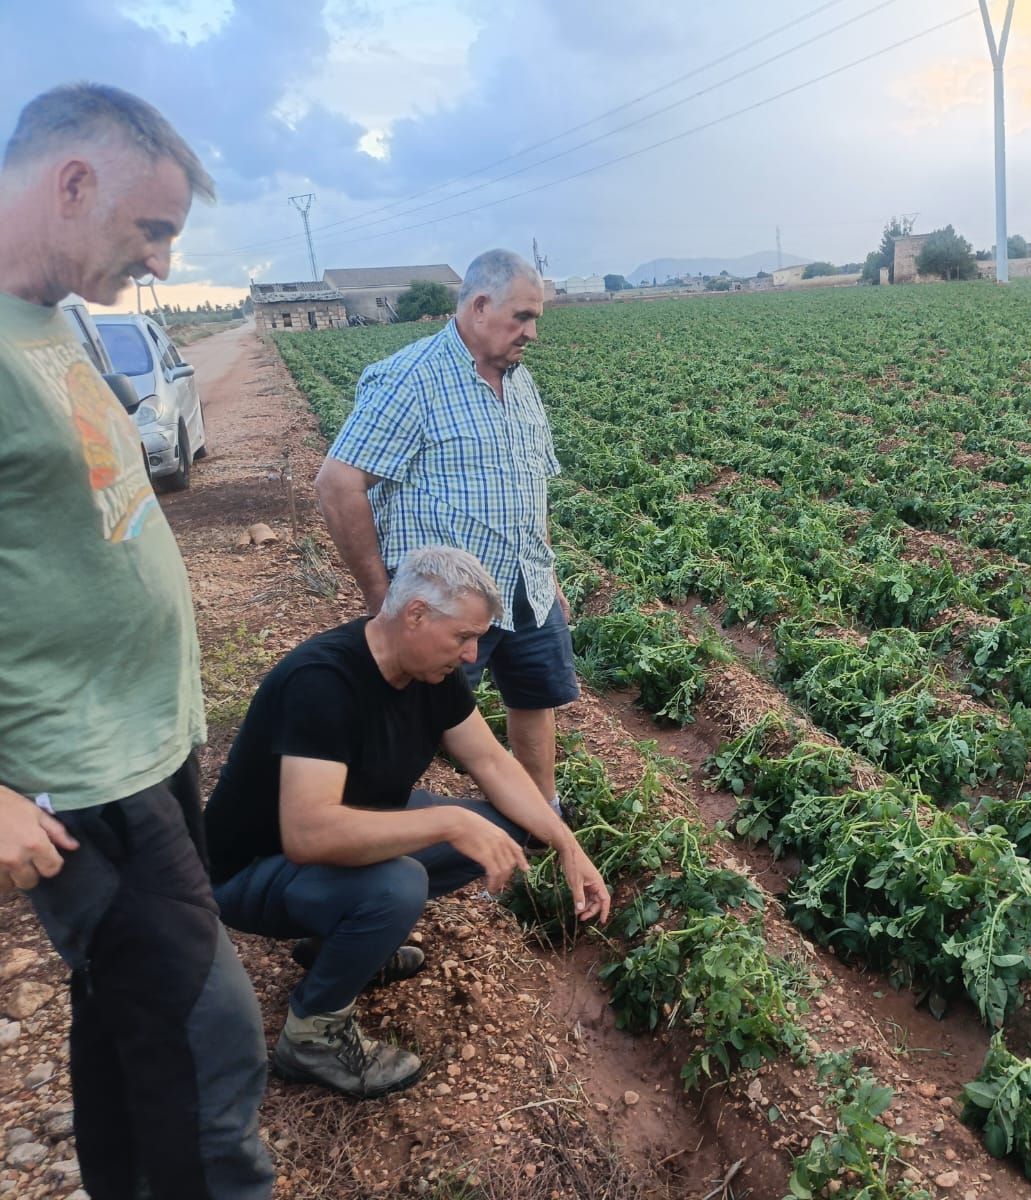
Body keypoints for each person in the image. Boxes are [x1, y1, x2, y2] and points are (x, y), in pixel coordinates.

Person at [0, 85, 274, 1198]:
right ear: (73, 184)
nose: (161, 262)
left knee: (130, 1026)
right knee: (213, 1043)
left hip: (148, 743)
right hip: (77, 772)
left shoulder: (49, 318)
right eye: (152, 229)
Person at [203, 546, 610, 1099]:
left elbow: (491, 762)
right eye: (463, 637)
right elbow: (309, 834)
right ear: (415, 614)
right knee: (399, 883)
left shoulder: (430, 674)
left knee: (506, 826)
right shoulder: (322, 681)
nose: (472, 655)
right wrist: (444, 822)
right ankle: (312, 1034)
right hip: (251, 870)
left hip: (339, 838)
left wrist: (565, 842)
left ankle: (343, 946)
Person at [317, 248, 576, 818]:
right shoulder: (410, 378)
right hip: (445, 602)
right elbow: (338, 484)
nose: (532, 333)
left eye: (536, 319)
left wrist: (547, 567)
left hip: (525, 584)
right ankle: (375, 829)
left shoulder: (521, 381)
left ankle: (540, 814)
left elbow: (531, 484)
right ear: (479, 306)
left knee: (534, 699)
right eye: (523, 317)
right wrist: (379, 592)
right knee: (416, 722)